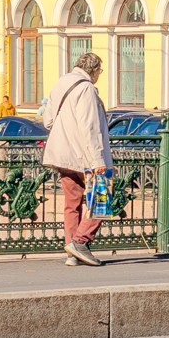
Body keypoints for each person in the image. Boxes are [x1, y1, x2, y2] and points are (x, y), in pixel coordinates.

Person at [40, 51, 113, 266]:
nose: (100, 74)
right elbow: (89, 127)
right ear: (94, 70)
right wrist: (98, 160)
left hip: (61, 155)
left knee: (72, 203)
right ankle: (80, 243)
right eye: (100, 70)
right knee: (103, 197)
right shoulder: (87, 88)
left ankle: (72, 253)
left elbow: (48, 121)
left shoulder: (62, 82)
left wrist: (66, 133)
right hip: (84, 156)